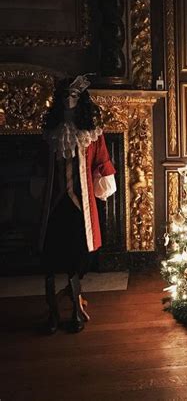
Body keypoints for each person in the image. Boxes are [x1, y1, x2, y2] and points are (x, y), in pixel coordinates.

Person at [39, 74, 116, 333]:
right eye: (64, 96)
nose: (68, 100)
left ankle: (75, 310)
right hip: (53, 204)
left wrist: (103, 184)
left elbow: (102, 161)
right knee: (50, 259)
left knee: (75, 258)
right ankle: (52, 313)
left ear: (80, 100)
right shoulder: (50, 134)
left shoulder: (91, 133)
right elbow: (40, 167)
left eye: (73, 96)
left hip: (80, 206)